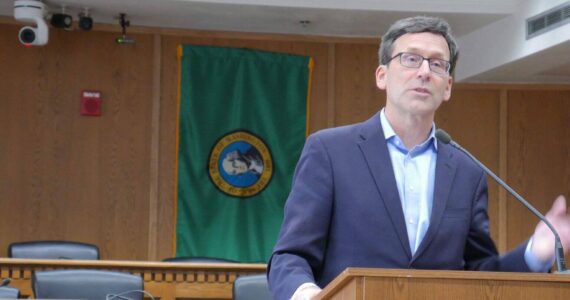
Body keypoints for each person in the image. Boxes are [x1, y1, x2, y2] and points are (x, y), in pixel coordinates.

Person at [267, 16, 570, 300]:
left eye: (438, 64)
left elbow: (481, 276)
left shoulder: (466, 171)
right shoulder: (330, 151)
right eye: (411, 59)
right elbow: (290, 256)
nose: (425, 71)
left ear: (448, 86)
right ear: (382, 75)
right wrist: (309, 295)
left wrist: (536, 252)